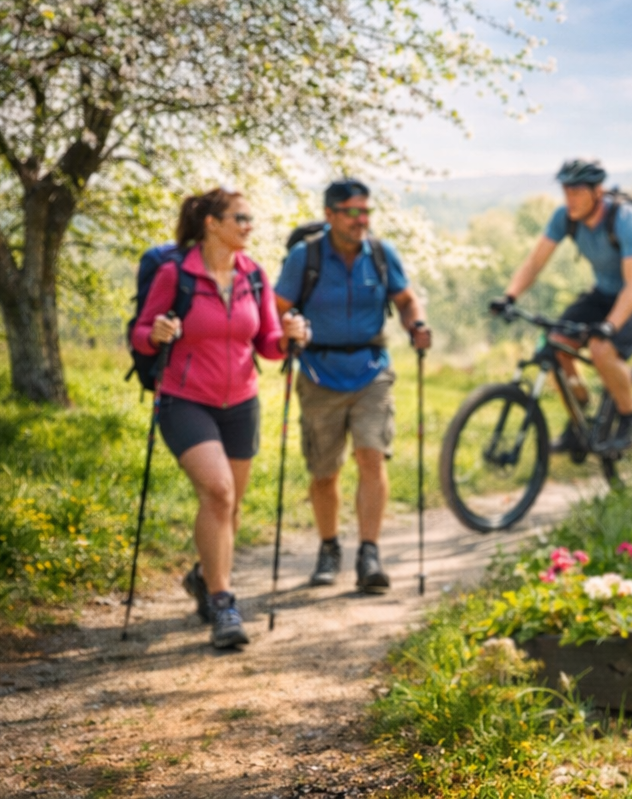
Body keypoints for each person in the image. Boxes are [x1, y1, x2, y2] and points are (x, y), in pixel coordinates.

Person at [131, 188, 309, 649]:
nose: (249, 226)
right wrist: (157, 332)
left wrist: (289, 337)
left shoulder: (254, 275)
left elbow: (267, 343)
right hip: (185, 399)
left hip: (242, 402)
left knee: (229, 506)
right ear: (212, 223)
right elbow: (141, 333)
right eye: (240, 218)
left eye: (251, 218)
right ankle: (224, 604)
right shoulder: (176, 274)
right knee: (219, 491)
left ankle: (204, 575)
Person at [274, 180, 431, 594]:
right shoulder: (304, 257)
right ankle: (329, 548)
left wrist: (416, 324)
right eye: (352, 212)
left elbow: (405, 300)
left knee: (371, 457)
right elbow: (279, 308)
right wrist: (289, 331)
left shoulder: (380, 254)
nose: (362, 220)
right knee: (324, 471)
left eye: (366, 212)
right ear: (329, 214)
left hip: (371, 370)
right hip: (318, 373)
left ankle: (369, 553)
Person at [493, 158, 632, 452]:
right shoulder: (565, 218)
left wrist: (610, 326)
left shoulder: (626, 219)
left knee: (602, 348)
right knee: (556, 345)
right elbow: (535, 262)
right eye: (566, 191)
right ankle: (580, 423)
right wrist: (509, 296)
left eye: (577, 192)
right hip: (606, 292)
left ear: (597, 191)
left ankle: (630, 420)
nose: (570, 199)